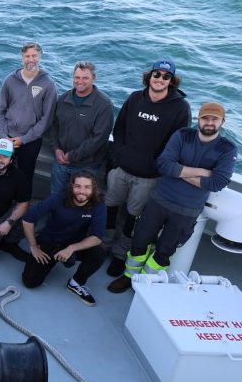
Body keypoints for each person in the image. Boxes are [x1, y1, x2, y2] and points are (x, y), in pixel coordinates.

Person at [108, 102, 237, 293]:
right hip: (159, 200)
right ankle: (129, 277)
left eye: (214, 119)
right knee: (139, 241)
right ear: (198, 119)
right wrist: (202, 172)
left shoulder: (227, 149)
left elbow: (217, 183)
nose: (209, 122)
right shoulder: (183, 135)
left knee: (164, 251)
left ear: (222, 122)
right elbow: (164, 165)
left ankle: (145, 284)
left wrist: (179, 171)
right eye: (205, 118)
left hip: (187, 210)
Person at [104, 58, 191, 277]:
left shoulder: (180, 108)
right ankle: (101, 245)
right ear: (149, 76)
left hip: (149, 177)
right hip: (121, 169)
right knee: (110, 209)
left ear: (172, 81)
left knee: (133, 219)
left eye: (166, 76)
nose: (160, 79)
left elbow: (178, 144)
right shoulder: (135, 98)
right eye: (157, 74)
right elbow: (120, 127)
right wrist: (120, 155)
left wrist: (154, 165)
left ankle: (119, 254)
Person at [21, 171, 107, 306]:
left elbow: (97, 237)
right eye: (78, 186)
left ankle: (76, 283)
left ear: (93, 189)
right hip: (49, 242)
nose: (82, 191)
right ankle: (52, 258)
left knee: (99, 252)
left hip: (74, 244)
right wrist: (33, 246)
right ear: (71, 187)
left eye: (87, 187)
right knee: (30, 282)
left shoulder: (98, 205)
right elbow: (28, 219)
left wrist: (71, 248)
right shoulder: (57, 199)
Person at [0, 42, 57, 197]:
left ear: (40, 56)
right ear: (22, 57)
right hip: (7, 136)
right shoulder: (10, 80)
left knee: (24, 177)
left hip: (30, 140)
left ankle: (21, 206)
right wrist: (4, 136)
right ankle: (0, 200)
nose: (31, 59)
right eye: (27, 56)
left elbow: (46, 119)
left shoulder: (49, 85)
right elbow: (1, 111)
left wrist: (24, 139)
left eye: (34, 55)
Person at [49, 62, 114, 195]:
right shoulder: (63, 99)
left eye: (85, 78)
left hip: (86, 167)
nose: (80, 81)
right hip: (60, 162)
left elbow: (98, 138)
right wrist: (56, 149)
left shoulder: (104, 105)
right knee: (56, 196)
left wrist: (72, 156)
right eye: (77, 77)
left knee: (81, 201)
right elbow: (54, 127)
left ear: (94, 78)